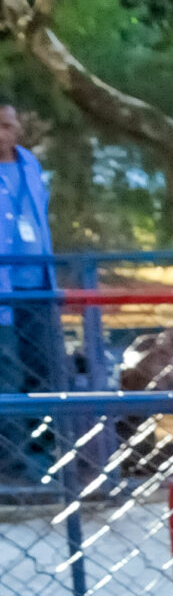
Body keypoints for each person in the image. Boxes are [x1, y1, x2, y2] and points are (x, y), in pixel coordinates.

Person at [0, 101, 60, 486]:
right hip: (4, 294)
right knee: (8, 377)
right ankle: (14, 467)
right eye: (3, 126)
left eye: (11, 124)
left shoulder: (29, 164)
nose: (10, 132)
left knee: (45, 371)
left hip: (38, 285)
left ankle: (47, 458)